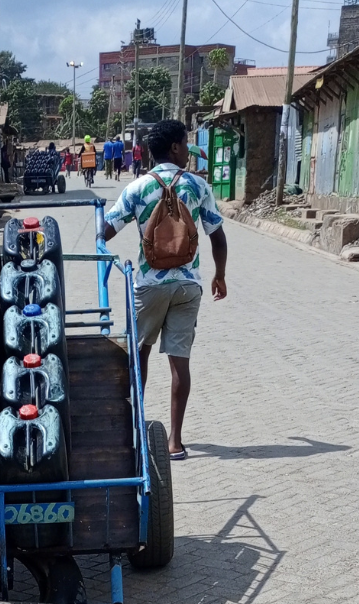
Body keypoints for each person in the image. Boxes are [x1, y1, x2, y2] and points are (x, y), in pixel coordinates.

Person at [103, 119, 228, 460]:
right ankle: (174, 442)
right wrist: (220, 275)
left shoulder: (137, 188)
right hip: (188, 285)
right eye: (186, 144)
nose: (188, 150)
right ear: (174, 147)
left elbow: (106, 231)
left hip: (150, 285)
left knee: (139, 356)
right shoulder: (197, 185)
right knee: (180, 363)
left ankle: (134, 431)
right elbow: (216, 234)